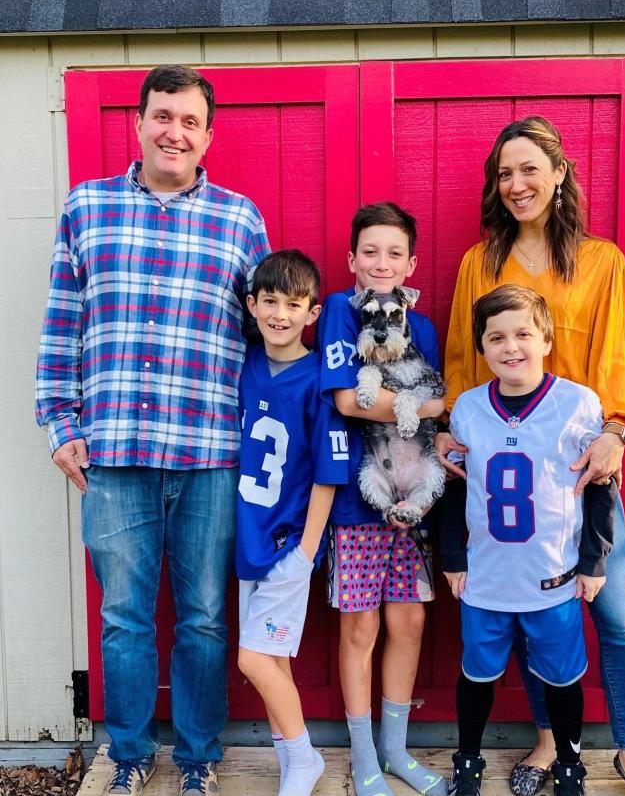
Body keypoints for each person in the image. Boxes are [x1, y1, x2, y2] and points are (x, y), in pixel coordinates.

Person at [35, 65, 270, 796]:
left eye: (189, 121)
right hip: (115, 453)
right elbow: (61, 325)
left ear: (207, 137)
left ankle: (198, 759)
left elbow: (269, 334)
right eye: (163, 116)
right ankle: (131, 755)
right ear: (138, 123)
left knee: (202, 617)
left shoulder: (239, 218)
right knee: (124, 618)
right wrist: (59, 423)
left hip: (210, 453)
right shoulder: (88, 207)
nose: (175, 132)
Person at [437, 116, 625, 796]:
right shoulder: (480, 262)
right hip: (507, 478)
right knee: (536, 611)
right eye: (503, 173)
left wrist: (615, 433)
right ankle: (545, 741)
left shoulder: (601, 261)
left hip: (579, 470)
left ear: (559, 173)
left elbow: (616, 359)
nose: (516, 184)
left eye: (529, 168)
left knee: (615, 615)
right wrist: (450, 429)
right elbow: (457, 356)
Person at [442, 284, 616, 796]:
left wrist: (594, 561)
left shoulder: (578, 404)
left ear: (546, 339)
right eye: (496, 337)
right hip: (486, 577)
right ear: (482, 347)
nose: (510, 346)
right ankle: (468, 762)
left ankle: (569, 765)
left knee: (562, 679)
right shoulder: (469, 408)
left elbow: (600, 488)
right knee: (476, 674)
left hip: (553, 576)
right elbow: (457, 490)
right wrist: (452, 555)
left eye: (522, 333)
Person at [317, 202, 448, 796]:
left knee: (411, 618)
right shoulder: (342, 316)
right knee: (360, 627)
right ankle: (363, 755)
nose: (381, 263)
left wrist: (423, 409)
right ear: (352, 259)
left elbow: (440, 399)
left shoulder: (422, 326)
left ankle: (396, 749)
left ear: (411, 264)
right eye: (369, 251)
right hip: (354, 496)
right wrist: (418, 408)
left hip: (411, 496)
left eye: (394, 253)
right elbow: (347, 402)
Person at [236, 249, 349, 796]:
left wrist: (306, 551)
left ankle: (304, 758)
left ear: (313, 312)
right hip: (246, 536)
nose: (280, 314)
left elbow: (328, 474)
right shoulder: (246, 360)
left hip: (287, 543)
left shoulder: (318, 381)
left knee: (252, 658)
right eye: (270, 301)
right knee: (272, 658)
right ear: (252, 304)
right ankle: (290, 761)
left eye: (294, 304)